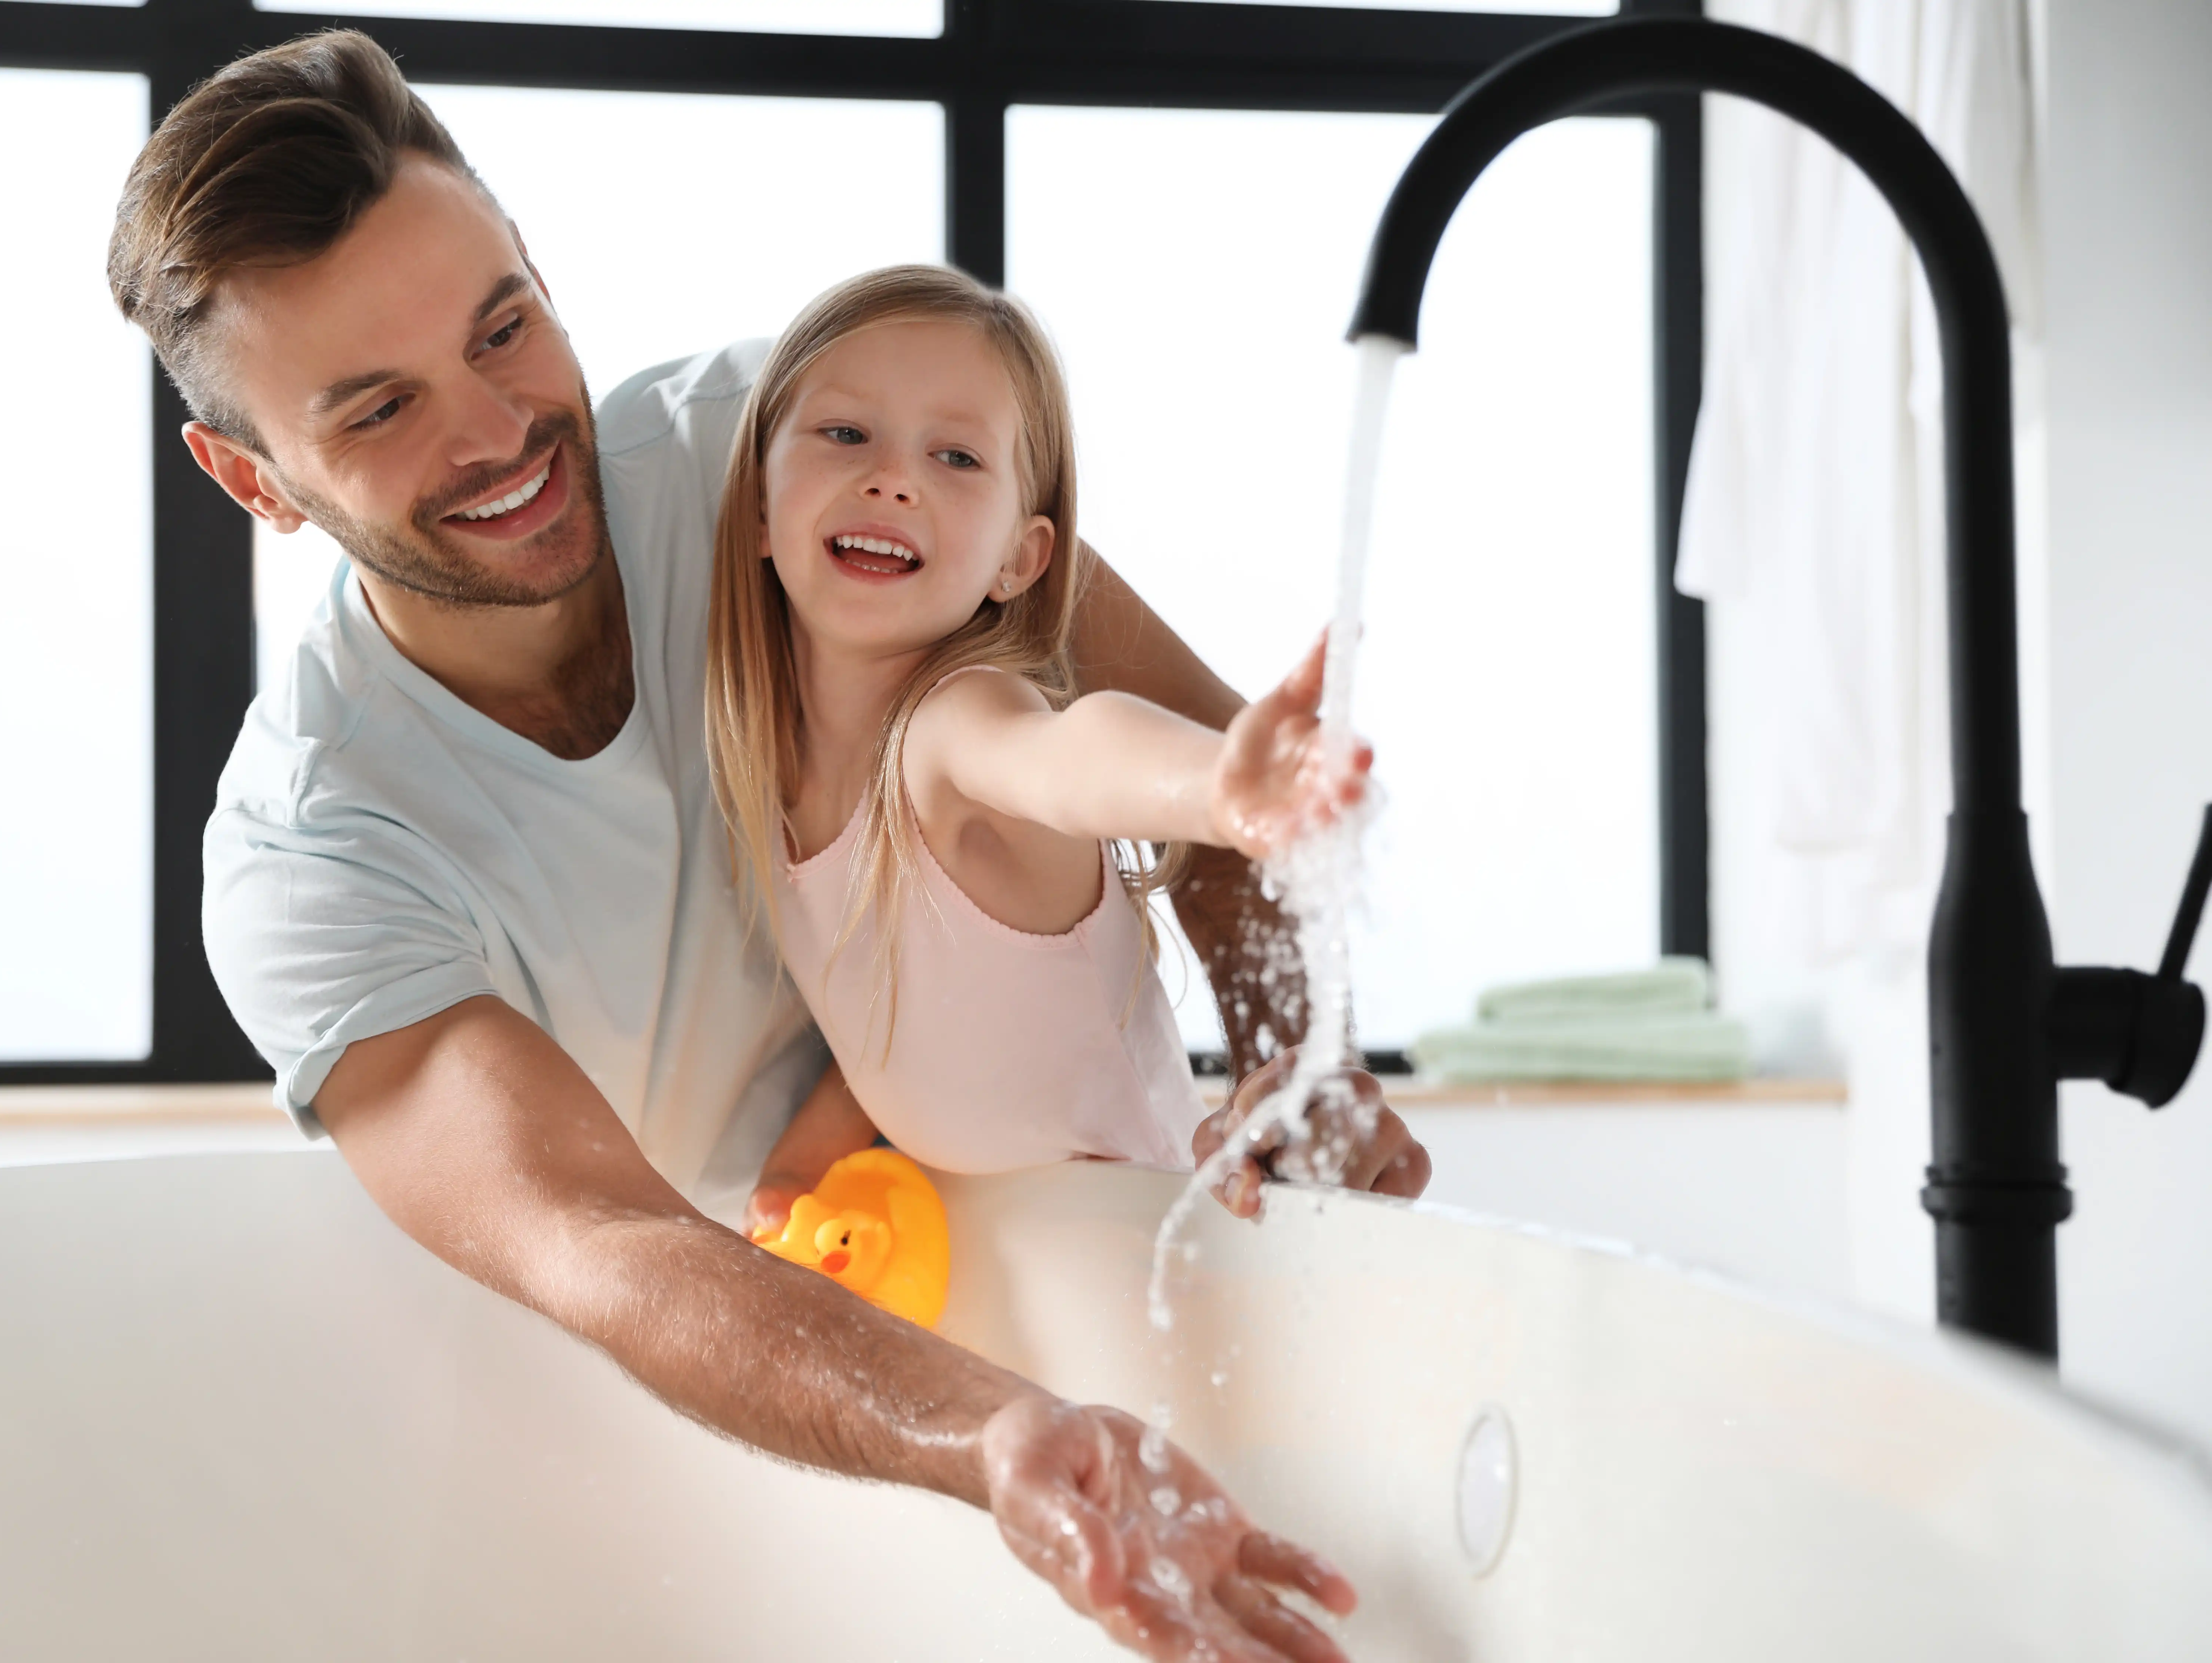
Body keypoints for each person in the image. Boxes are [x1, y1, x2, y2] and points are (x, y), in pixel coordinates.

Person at [107, 30, 1430, 1662]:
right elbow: (603, 1238)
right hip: (805, 1356)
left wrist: (1297, 1076)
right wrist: (995, 1436)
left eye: (504, 326)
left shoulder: (791, 449)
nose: (503, 430)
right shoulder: (318, 861)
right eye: (381, 409)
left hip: (1080, 1217)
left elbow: (1207, 781)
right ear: (254, 479)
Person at [712, 266, 1381, 1239]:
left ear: (1020, 560)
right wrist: (801, 1167)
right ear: (759, 511)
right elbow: (890, 1008)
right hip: (1023, 1254)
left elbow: (1067, 756)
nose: (892, 476)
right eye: (847, 434)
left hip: (1156, 1251)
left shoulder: (952, 726)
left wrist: (1211, 784)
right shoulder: (778, 768)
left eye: (956, 458)